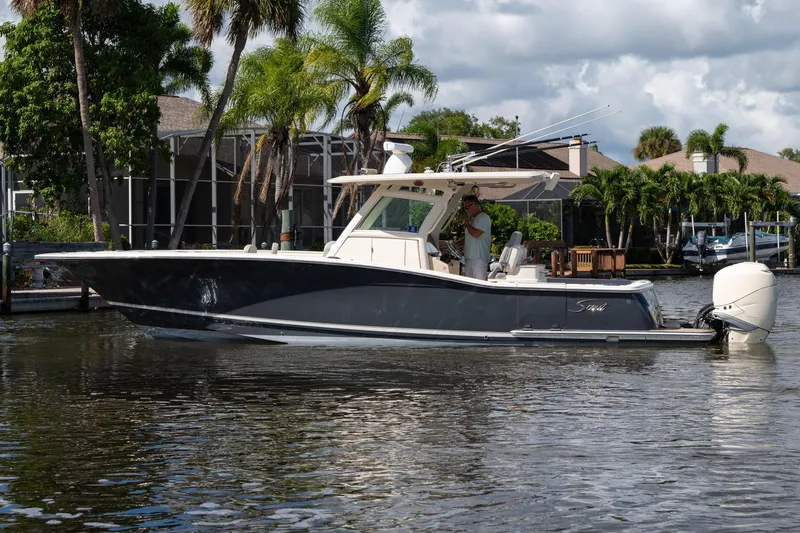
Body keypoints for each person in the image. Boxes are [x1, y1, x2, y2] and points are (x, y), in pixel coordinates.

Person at [461, 195, 492, 280]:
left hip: (479, 259)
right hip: (469, 258)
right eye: (465, 208)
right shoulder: (472, 220)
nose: (466, 210)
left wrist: (467, 224)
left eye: (468, 207)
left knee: (478, 283)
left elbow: (476, 234)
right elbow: (469, 237)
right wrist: (456, 243)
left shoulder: (484, 218)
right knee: (469, 284)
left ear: (475, 205)